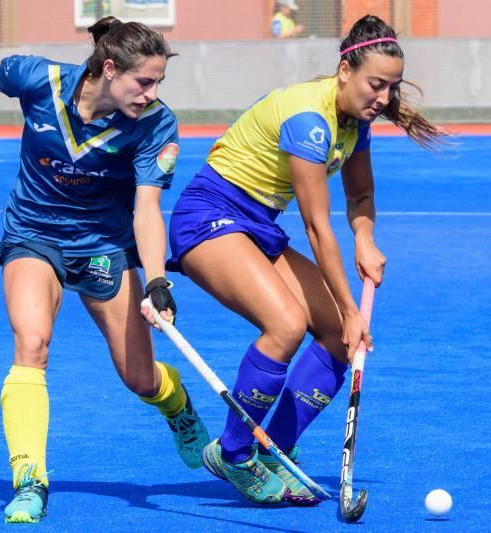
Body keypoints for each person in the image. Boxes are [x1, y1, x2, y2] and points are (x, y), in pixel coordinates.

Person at [0, 16, 209, 524]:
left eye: (159, 82)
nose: (152, 93)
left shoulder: (156, 123)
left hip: (103, 246)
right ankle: (30, 480)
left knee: (139, 378)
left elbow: (146, 209)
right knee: (32, 343)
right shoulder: (40, 79)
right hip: (33, 233)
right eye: (145, 81)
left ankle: (176, 405)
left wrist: (157, 280)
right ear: (109, 69)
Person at [167, 15, 446, 505]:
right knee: (288, 324)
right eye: (375, 84)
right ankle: (232, 454)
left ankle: (276, 453)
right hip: (209, 215)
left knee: (340, 339)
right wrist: (351, 307)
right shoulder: (308, 120)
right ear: (345, 70)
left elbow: (359, 196)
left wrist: (366, 238)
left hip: (257, 227)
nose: (383, 98)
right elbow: (318, 228)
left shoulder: (355, 124)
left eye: (391, 87)